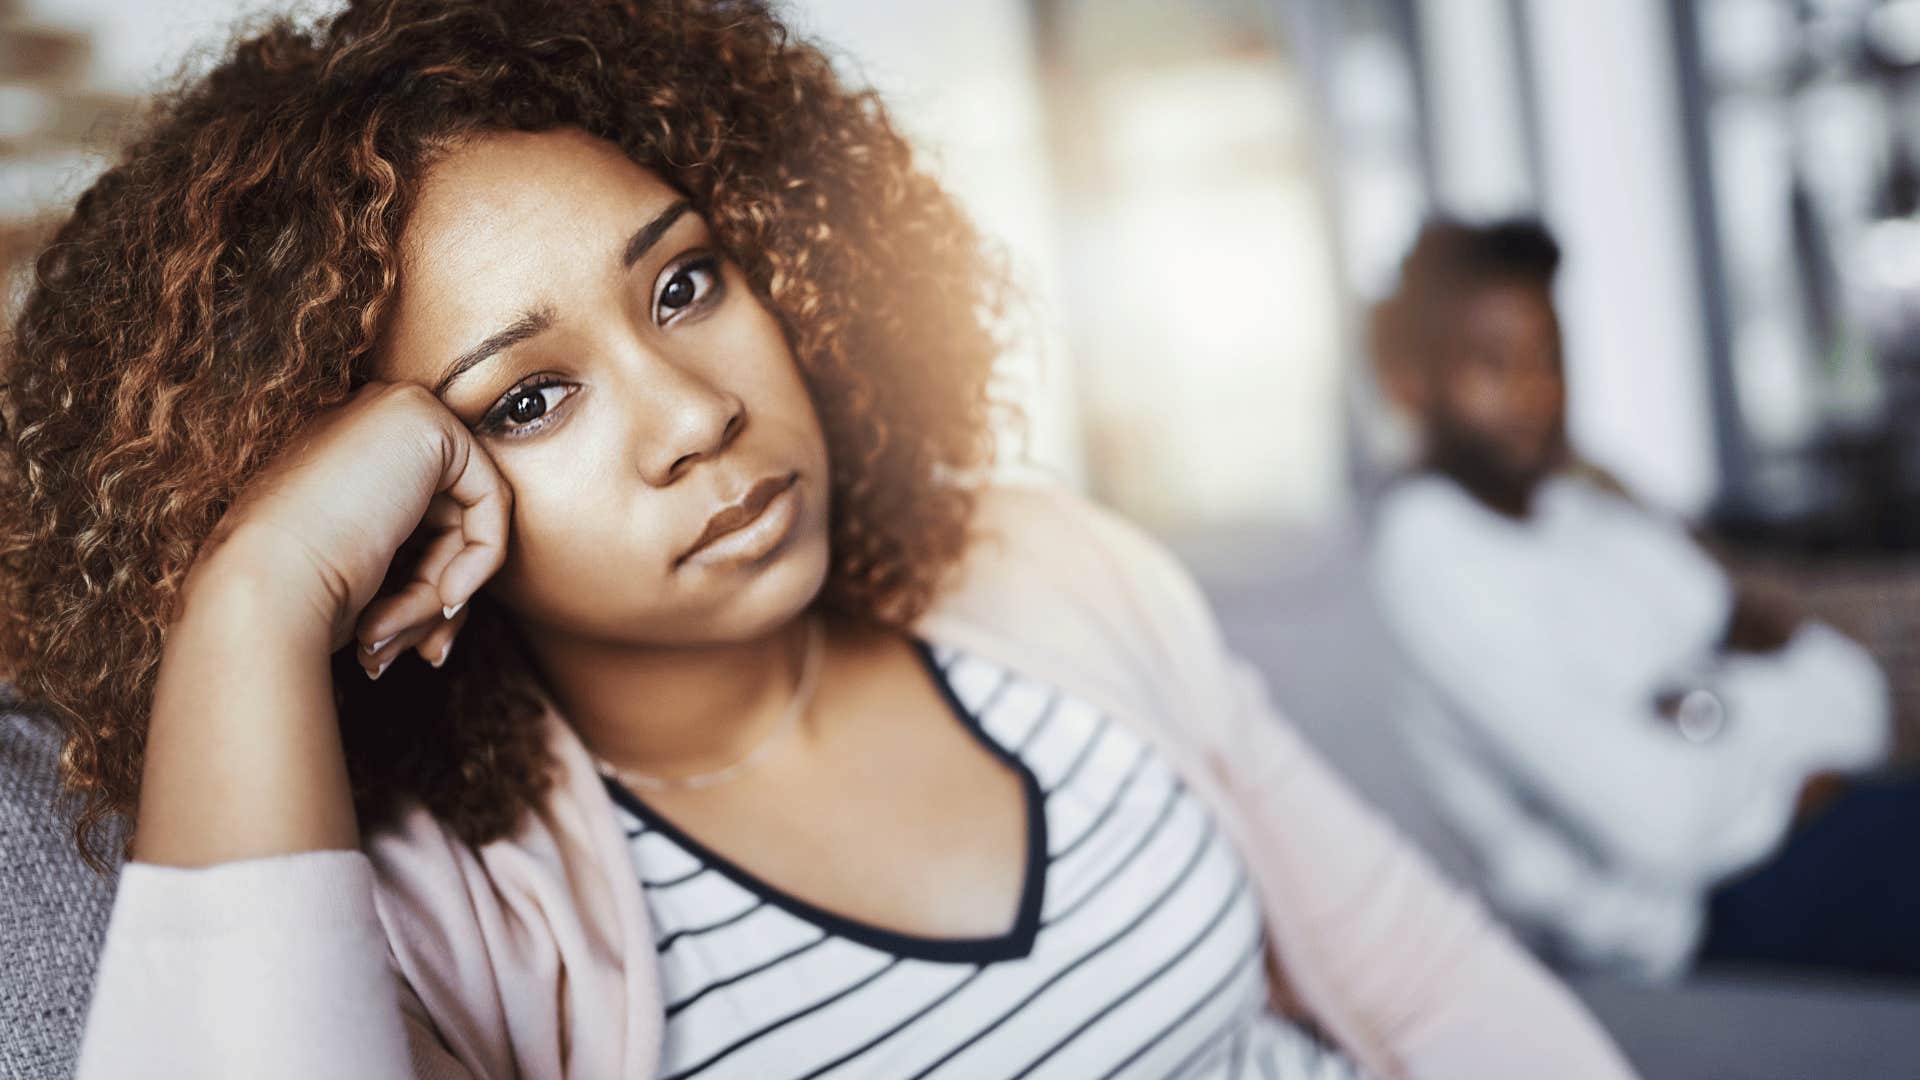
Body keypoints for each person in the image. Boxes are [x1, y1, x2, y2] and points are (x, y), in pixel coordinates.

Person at [0, 4, 1634, 1077]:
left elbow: (1432, 992)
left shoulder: (1042, 568)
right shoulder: (451, 910)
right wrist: (256, 597)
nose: (694, 414)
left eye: (685, 285)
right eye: (528, 400)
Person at [1366, 217, 1915, 984]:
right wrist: (1768, 733)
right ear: (1409, 385)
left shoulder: (1578, 508)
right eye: (1492, 365)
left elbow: (1850, 690)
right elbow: (1663, 825)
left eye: (1548, 358)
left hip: (1810, 840)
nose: (1533, 391)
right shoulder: (1430, 552)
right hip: (1704, 920)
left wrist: (1695, 709)